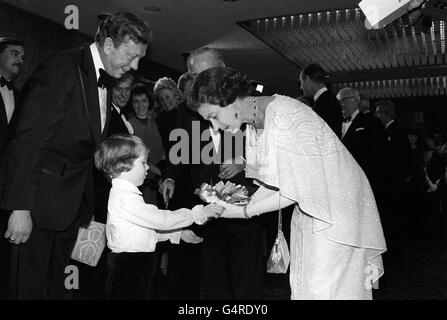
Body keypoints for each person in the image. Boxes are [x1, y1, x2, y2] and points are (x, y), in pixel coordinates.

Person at [190, 67, 387, 300]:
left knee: (325, 289)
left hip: (339, 211)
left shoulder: (283, 115)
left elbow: (296, 189)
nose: (215, 126)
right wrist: (228, 206)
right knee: (304, 283)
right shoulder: (253, 124)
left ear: (230, 99)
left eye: (213, 116)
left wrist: (243, 211)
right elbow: (274, 184)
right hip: (312, 209)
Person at [0, 12, 151, 299]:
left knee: (57, 288)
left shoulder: (103, 78)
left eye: (140, 59)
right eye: (131, 57)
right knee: (29, 290)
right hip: (38, 204)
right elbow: (29, 141)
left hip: (69, 207)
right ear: (108, 45)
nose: (135, 65)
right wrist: (20, 209)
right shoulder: (62, 67)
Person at [160, 48, 264, 300]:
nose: (197, 80)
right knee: (210, 267)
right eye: (193, 75)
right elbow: (179, 149)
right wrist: (171, 176)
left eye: (202, 73)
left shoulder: (247, 98)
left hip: (243, 195)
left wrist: (243, 162)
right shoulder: (187, 108)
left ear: (221, 68)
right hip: (205, 196)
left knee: (244, 265)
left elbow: (268, 145)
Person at [93, 134, 222, 299]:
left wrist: (177, 234)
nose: (148, 168)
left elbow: (142, 232)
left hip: (137, 266)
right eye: (143, 162)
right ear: (124, 167)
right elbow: (161, 220)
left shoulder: (127, 195)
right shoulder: (125, 198)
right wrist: (200, 213)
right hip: (128, 270)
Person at [0, 36, 25, 299]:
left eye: (22, 56)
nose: (20, 59)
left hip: (7, 182)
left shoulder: (18, 95)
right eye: (14, 53)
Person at [129, 84, 165, 205]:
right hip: (143, 179)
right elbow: (135, 157)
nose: (140, 105)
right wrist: (158, 173)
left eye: (144, 101)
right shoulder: (129, 125)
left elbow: (161, 152)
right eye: (136, 102)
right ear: (131, 104)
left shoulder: (154, 123)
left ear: (149, 102)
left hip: (158, 179)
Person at [300, 63, 343, 138]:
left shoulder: (325, 102)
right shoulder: (328, 99)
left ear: (307, 79)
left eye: (301, 82)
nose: (301, 87)